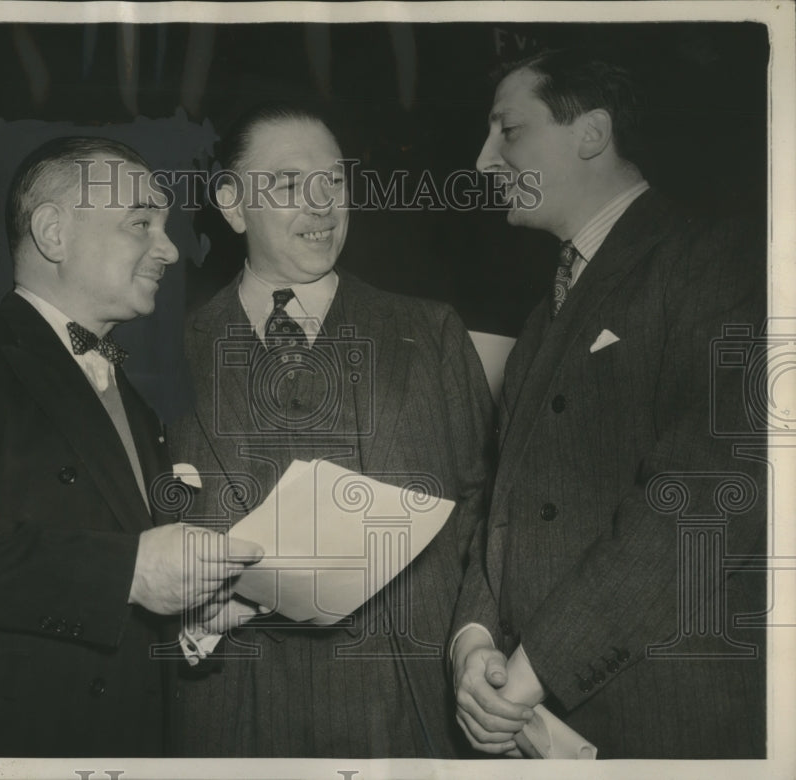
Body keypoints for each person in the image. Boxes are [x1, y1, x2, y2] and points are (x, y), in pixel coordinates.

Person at [0, 136, 262, 756]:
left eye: (164, 227)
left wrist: (192, 619)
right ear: (54, 233)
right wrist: (130, 573)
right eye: (141, 222)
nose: (169, 250)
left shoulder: (141, 410)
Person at [451, 49, 766, 759]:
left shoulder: (722, 260)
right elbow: (501, 507)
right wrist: (472, 645)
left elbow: (709, 493)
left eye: (509, 131)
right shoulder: (540, 323)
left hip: (672, 724)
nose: (482, 163)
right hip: (541, 727)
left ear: (591, 133)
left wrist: (534, 669)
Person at [169, 107, 494, 758]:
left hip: (410, 716)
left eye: (335, 183)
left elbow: (489, 510)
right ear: (233, 206)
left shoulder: (429, 334)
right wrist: (190, 621)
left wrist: (474, 640)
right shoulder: (169, 353)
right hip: (234, 720)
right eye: (290, 185)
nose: (322, 207)